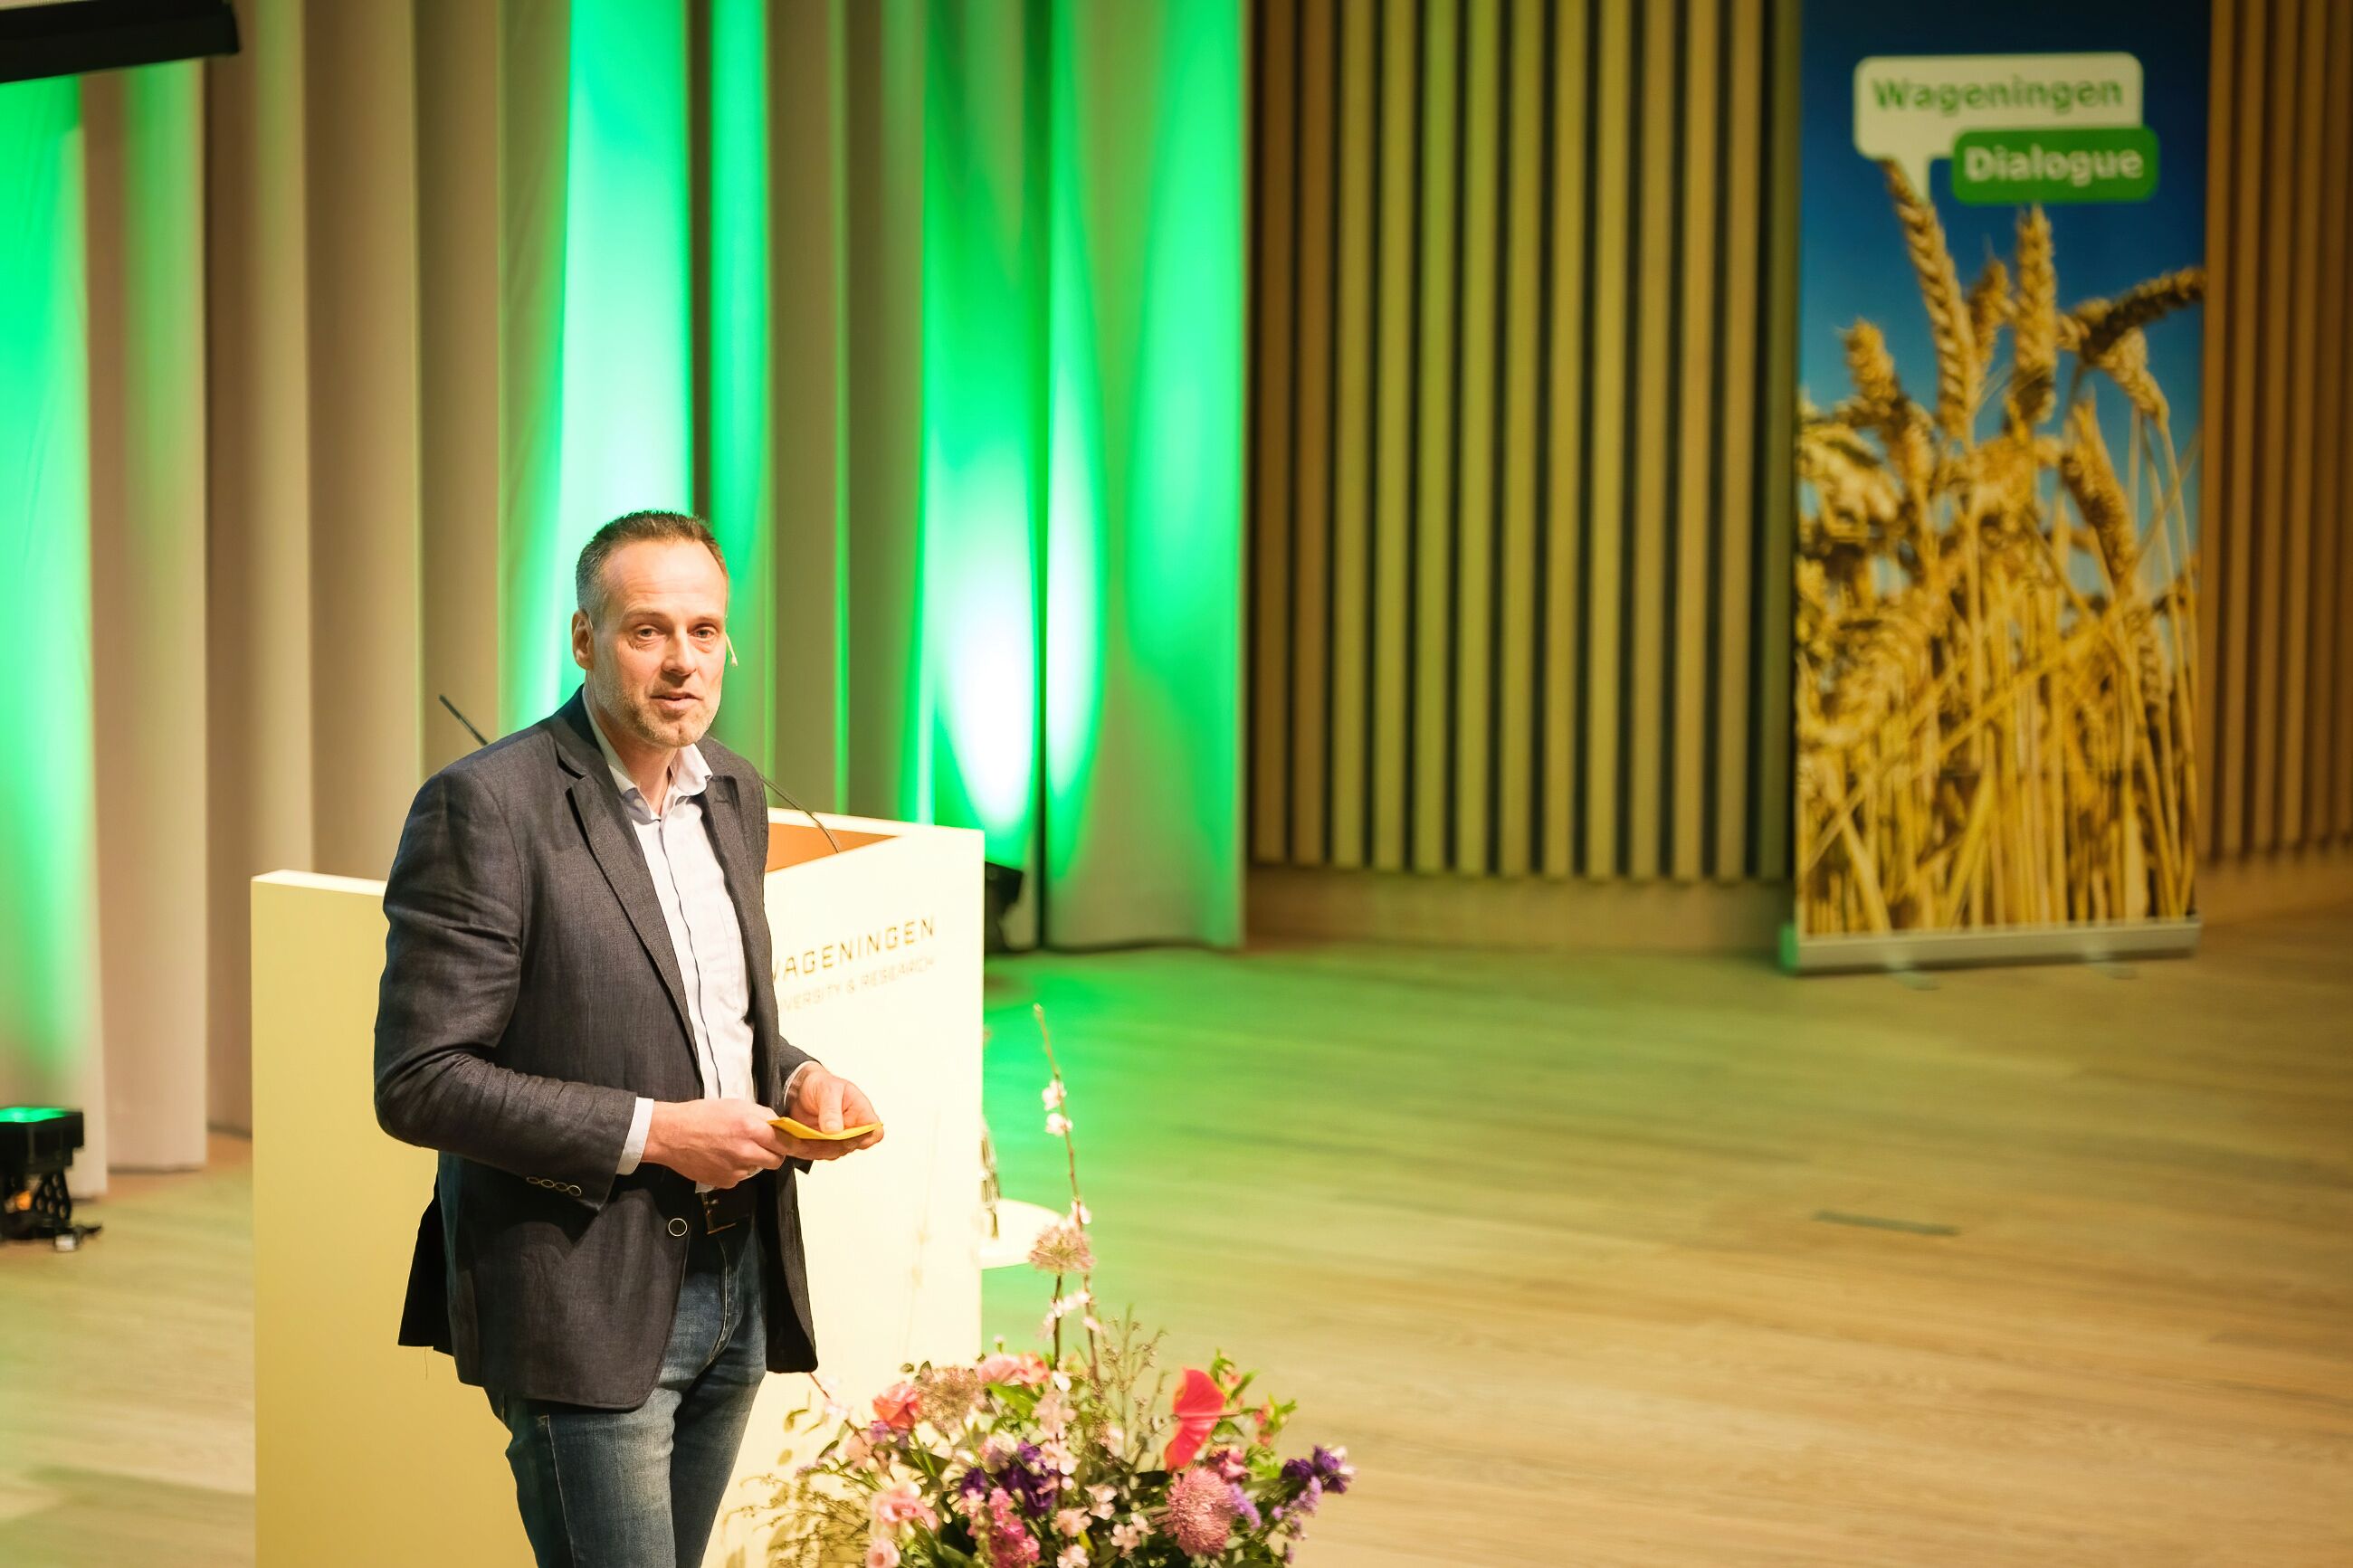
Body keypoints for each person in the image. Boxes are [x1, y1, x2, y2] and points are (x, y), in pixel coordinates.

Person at [374, 508, 883, 1568]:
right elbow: (421, 1079)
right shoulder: (485, 808)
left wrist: (801, 1076)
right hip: (582, 1300)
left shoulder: (730, 790)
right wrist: (659, 1132)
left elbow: (708, 1014)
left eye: (704, 631)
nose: (682, 661)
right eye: (648, 630)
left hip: (738, 1279)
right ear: (583, 638)